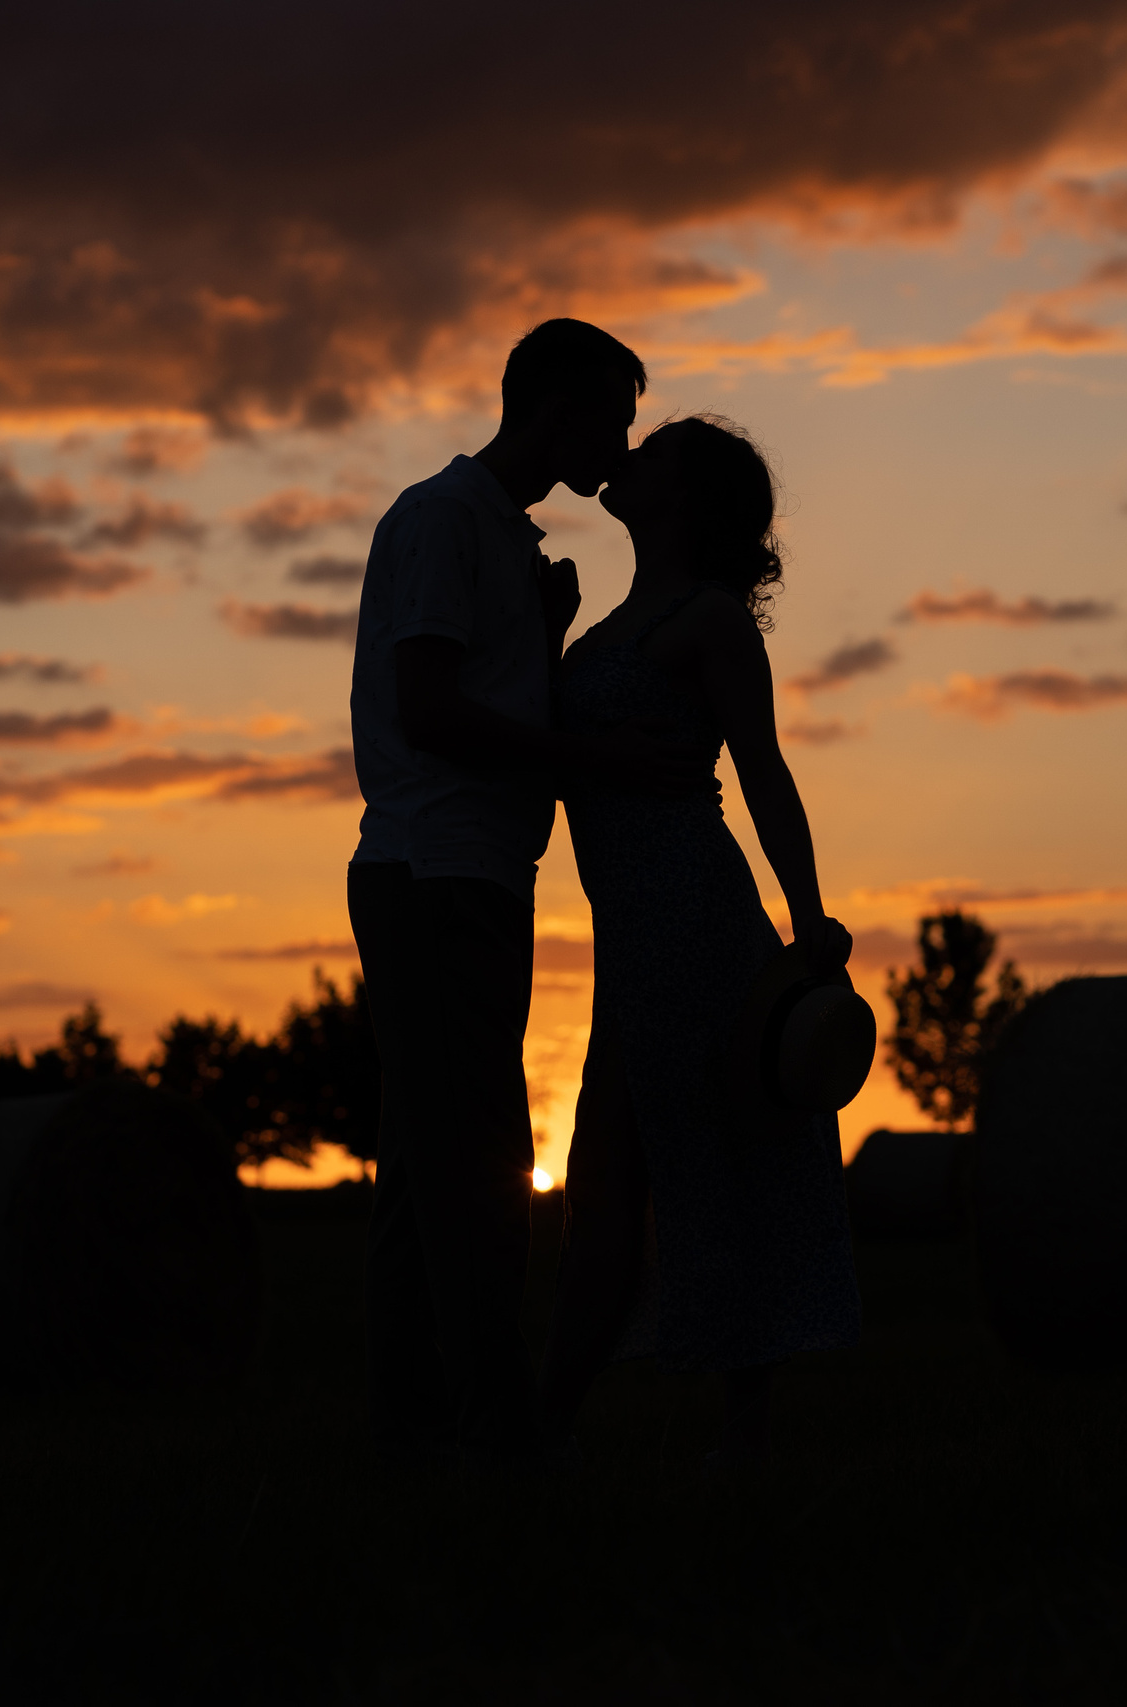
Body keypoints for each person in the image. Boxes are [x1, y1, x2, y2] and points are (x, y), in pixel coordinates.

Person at [346, 318, 680, 1466]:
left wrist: (539, 641)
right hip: (438, 872)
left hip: (465, 870)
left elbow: (463, 696)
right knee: (480, 1167)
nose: (623, 442)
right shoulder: (445, 520)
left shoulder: (490, 532)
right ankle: (494, 1432)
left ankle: (412, 1431)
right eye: (613, 418)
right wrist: (602, 760)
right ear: (555, 409)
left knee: (426, 1170)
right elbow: (430, 715)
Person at [539, 413, 864, 1463]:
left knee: (712, 1156)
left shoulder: (711, 621)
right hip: (629, 933)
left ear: (684, 498)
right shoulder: (603, 626)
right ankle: (551, 1424)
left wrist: (810, 919)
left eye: (653, 452)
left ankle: (717, 1432)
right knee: (613, 1169)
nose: (625, 459)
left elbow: (762, 772)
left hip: (694, 915)